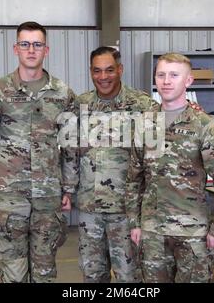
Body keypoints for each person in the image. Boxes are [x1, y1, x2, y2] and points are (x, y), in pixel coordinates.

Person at [0, 21, 78, 283]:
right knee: (14, 272)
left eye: (37, 44)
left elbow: (72, 145)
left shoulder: (63, 94)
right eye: (25, 44)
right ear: (15, 48)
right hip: (9, 197)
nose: (31, 50)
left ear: (46, 50)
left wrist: (68, 188)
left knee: (45, 270)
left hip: (48, 196)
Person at [126, 52, 214, 283]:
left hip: (192, 232)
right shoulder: (145, 123)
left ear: (188, 81)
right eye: (161, 75)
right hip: (152, 231)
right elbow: (134, 178)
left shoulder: (204, 126)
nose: (166, 81)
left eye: (174, 75)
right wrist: (134, 223)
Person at [75, 46, 158, 282]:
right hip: (89, 210)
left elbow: (155, 162)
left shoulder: (144, 106)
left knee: (129, 277)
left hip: (127, 211)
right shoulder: (80, 106)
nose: (103, 77)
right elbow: (70, 154)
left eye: (109, 70)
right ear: (91, 72)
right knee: (92, 275)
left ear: (120, 70)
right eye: (97, 71)